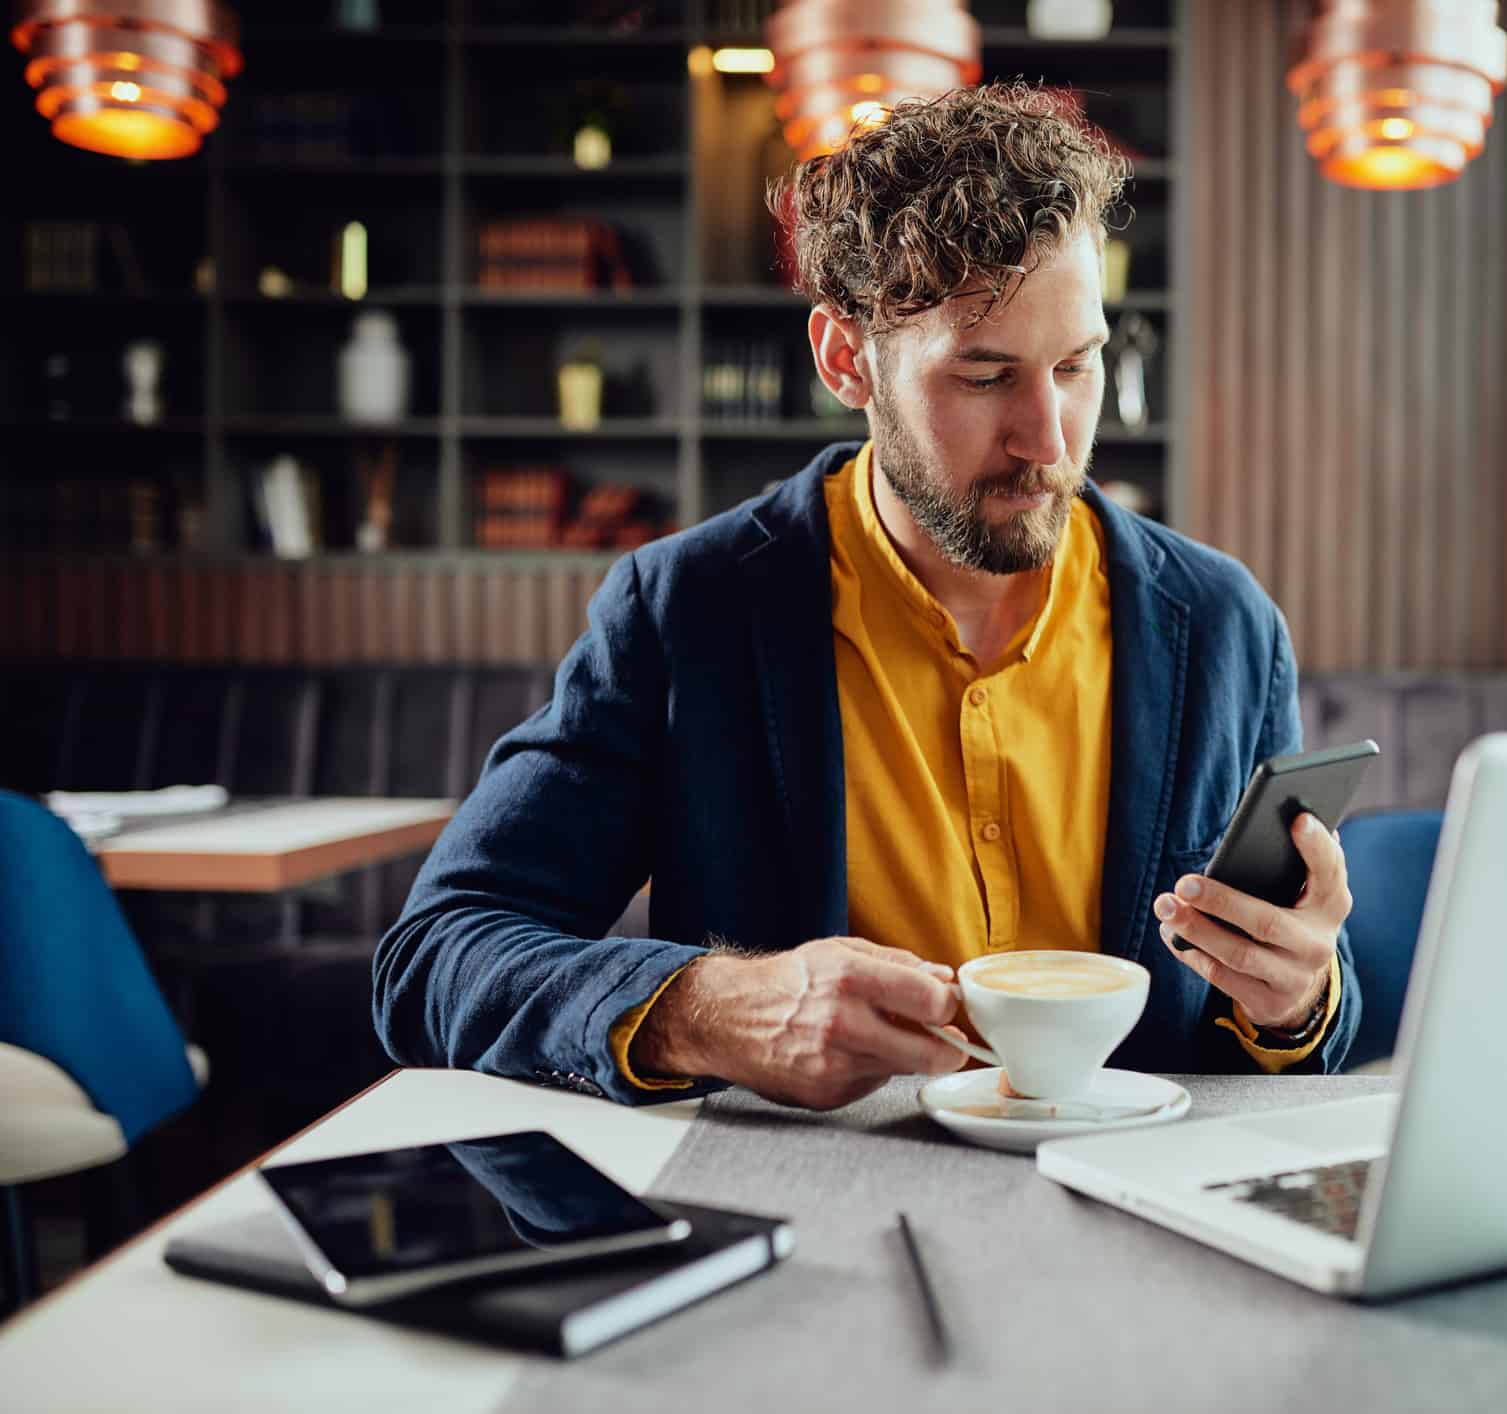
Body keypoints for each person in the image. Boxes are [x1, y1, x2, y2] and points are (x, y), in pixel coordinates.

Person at [373, 83, 1362, 1110]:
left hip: (1142, 1216)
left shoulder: (1225, 624)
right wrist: (712, 1008)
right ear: (847, 358)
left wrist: (1297, 999)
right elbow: (434, 958)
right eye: (984, 377)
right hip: (801, 1219)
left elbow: (1289, 1032)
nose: (1051, 441)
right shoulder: (685, 615)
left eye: (1076, 366)